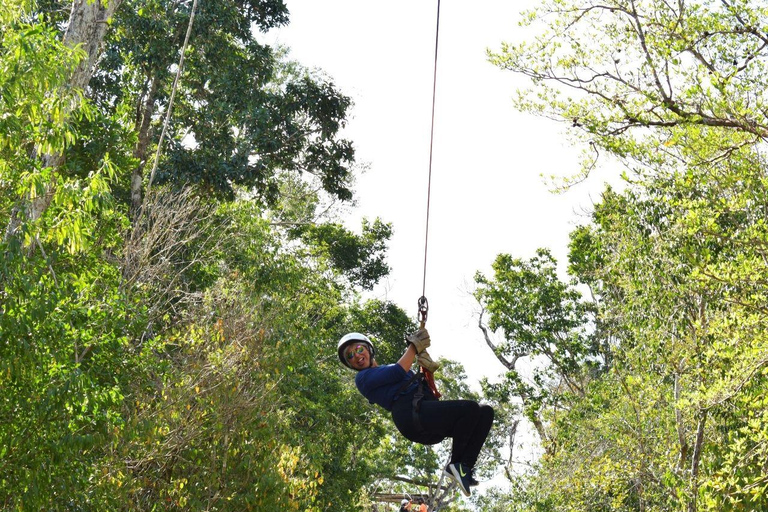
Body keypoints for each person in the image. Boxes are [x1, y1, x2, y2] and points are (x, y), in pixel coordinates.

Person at [337, 329, 494, 497]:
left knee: (485, 412)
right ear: (350, 364)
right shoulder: (362, 378)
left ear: (368, 349)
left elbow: (404, 375)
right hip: (408, 414)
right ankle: (455, 464)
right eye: (350, 356)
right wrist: (414, 345)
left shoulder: (384, 369)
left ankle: (464, 468)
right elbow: (398, 371)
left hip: (422, 410)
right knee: (469, 408)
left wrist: (425, 370)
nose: (357, 355)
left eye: (359, 349)